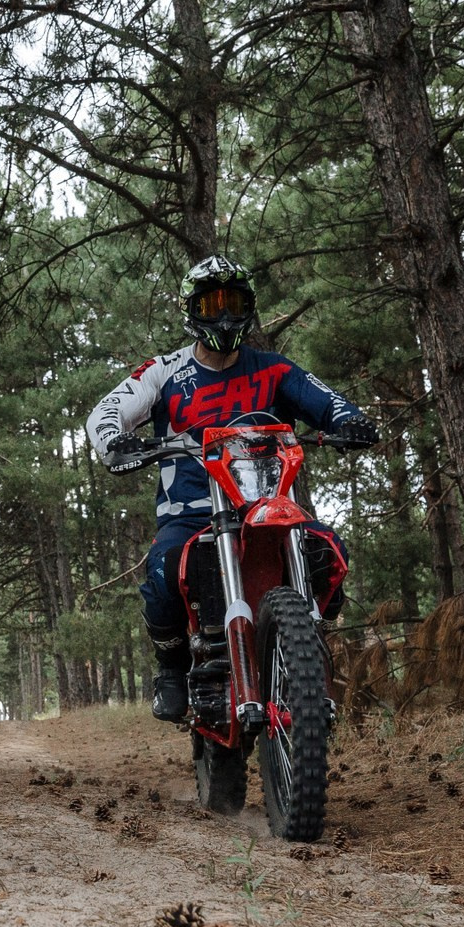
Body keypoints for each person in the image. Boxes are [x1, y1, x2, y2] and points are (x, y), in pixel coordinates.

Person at [84, 255, 376, 723]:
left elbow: (327, 400)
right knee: (163, 571)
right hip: (192, 512)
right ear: (191, 310)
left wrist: (349, 421)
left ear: (250, 307)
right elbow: (107, 410)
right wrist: (115, 440)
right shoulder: (163, 372)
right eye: (211, 304)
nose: (223, 315)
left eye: (234, 303)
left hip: (268, 505)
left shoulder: (275, 370)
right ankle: (172, 668)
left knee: (330, 551)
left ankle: (307, 639)